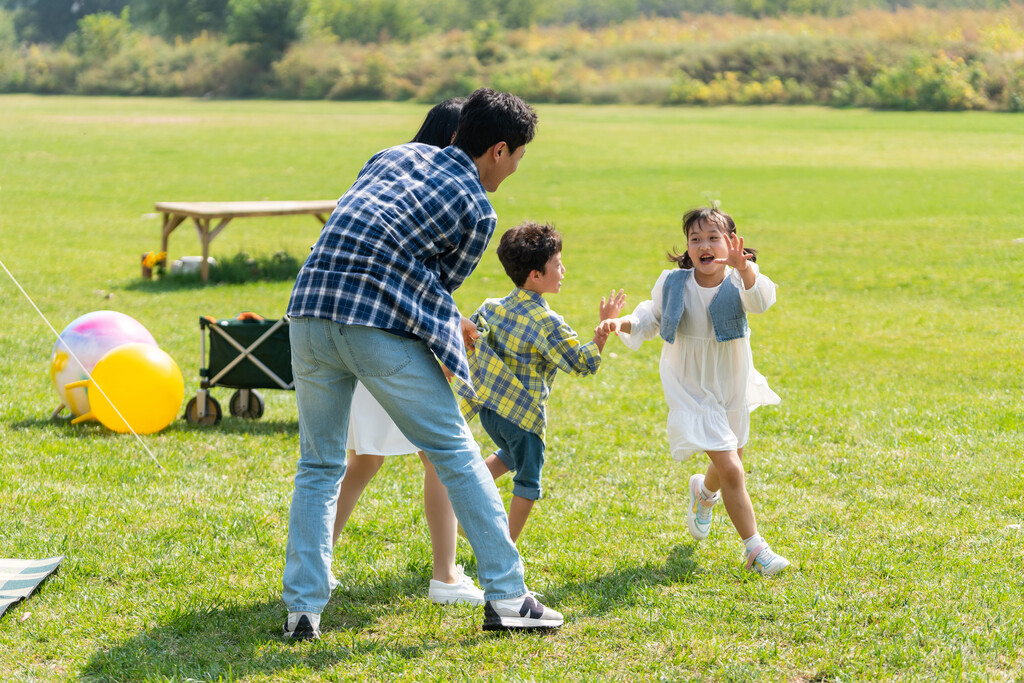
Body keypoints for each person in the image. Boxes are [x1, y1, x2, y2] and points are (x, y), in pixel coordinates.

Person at [282, 88, 563, 641]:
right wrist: (449, 361)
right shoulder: (478, 206)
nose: (514, 169)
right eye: (518, 158)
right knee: (455, 452)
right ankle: (508, 595)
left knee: (318, 466)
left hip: (307, 313)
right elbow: (438, 289)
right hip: (372, 327)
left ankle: (302, 611)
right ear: (498, 150)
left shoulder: (391, 155)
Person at [335, 96, 484, 607]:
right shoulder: (444, 196)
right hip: (397, 345)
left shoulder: (390, 180)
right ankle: (445, 576)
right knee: (438, 458)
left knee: (363, 461)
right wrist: (447, 336)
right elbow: (422, 288)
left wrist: (452, 319)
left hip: (353, 336)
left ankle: (321, 564)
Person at [597, 206, 790, 576]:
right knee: (732, 467)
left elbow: (762, 301)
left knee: (732, 457)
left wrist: (744, 267)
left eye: (713, 238)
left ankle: (703, 494)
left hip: (730, 381)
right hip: (689, 385)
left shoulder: (740, 280)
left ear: (733, 243)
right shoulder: (674, 283)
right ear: (687, 246)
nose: (703, 245)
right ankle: (756, 550)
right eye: (695, 238)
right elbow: (649, 318)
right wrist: (620, 322)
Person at [456, 221, 626, 542]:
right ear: (536, 275)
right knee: (528, 483)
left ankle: (461, 502)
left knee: (508, 454)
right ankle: (504, 548)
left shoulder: (491, 307)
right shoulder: (547, 323)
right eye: (557, 265)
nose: (563, 270)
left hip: (491, 413)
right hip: (524, 418)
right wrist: (603, 331)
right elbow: (582, 363)